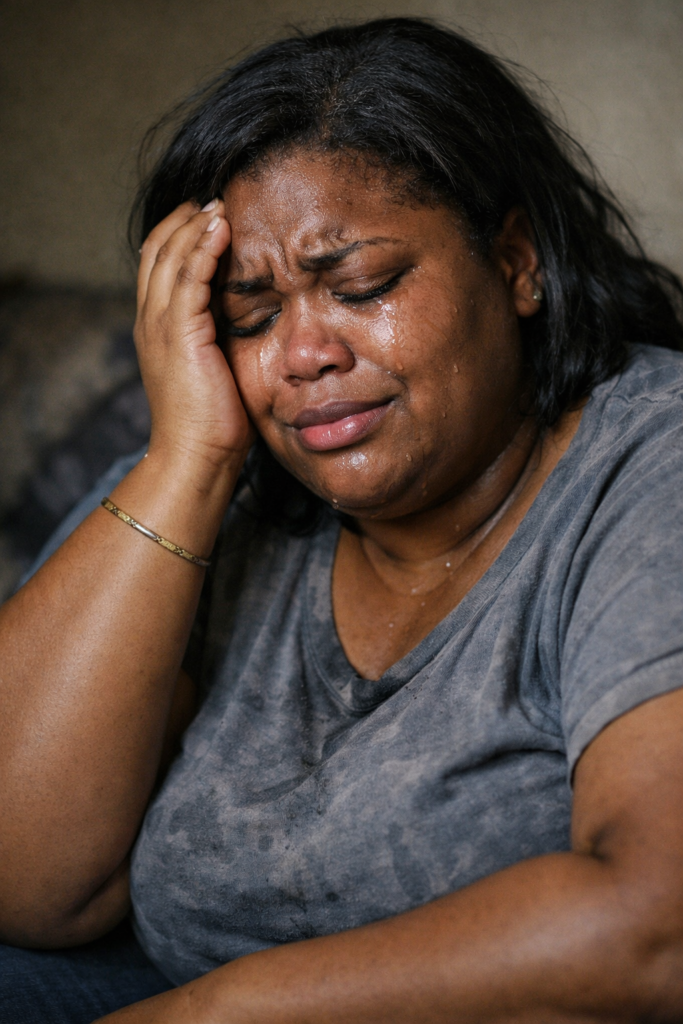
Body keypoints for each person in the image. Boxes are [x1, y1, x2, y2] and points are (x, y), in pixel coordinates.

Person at [2, 16, 683, 1023]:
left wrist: (214, 1012)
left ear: (516, 262)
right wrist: (186, 458)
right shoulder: (212, 491)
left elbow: (653, 926)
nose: (303, 354)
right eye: (249, 313)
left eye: (359, 285)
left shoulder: (647, 456)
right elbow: (29, 882)